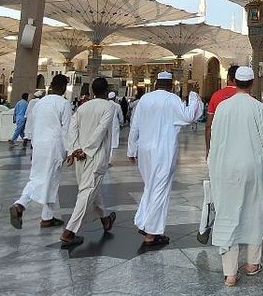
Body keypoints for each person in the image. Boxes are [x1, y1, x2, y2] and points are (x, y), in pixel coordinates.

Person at [208, 66, 263, 287]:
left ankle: (229, 274)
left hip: (226, 166)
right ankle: (252, 264)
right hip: (252, 166)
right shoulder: (257, 107)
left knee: (228, 212)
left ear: (233, 82)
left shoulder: (223, 107)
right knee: (254, 210)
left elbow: (215, 136)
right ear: (252, 83)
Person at [128, 71, 202, 246]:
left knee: (150, 186)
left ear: (155, 84)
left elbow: (134, 126)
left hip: (145, 150)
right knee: (160, 189)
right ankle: (151, 233)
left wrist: (131, 150)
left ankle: (144, 221)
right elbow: (189, 116)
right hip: (164, 150)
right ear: (170, 86)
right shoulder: (172, 99)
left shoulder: (145, 99)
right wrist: (193, 95)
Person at [59, 77, 121, 246]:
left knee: (90, 188)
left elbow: (72, 130)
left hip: (80, 156)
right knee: (87, 191)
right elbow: (101, 130)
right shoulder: (109, 107)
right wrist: (85, 150)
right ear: (106, 90)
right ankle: (69, 231)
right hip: (95, 155)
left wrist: (76, 149)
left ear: (93, 90)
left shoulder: (82, 107)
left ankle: (105, 219)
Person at [9, 75, 73, 230]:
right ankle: (20, 204)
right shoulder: (64, 104)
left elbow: (31, 124)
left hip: (39, 145)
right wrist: (70, 150)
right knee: (48, 179)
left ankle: (47, 217)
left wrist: (29, 142)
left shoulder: (39, 103)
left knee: (42, 177)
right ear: (64, 87)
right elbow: (67, 129)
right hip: (54, 146)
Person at [205, 65, 240, 157]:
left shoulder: (216, 95)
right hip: (239, 145)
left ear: (228, 78)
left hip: (219, 143)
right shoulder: (248, 98)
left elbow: (209, 125)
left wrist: (208, 150)